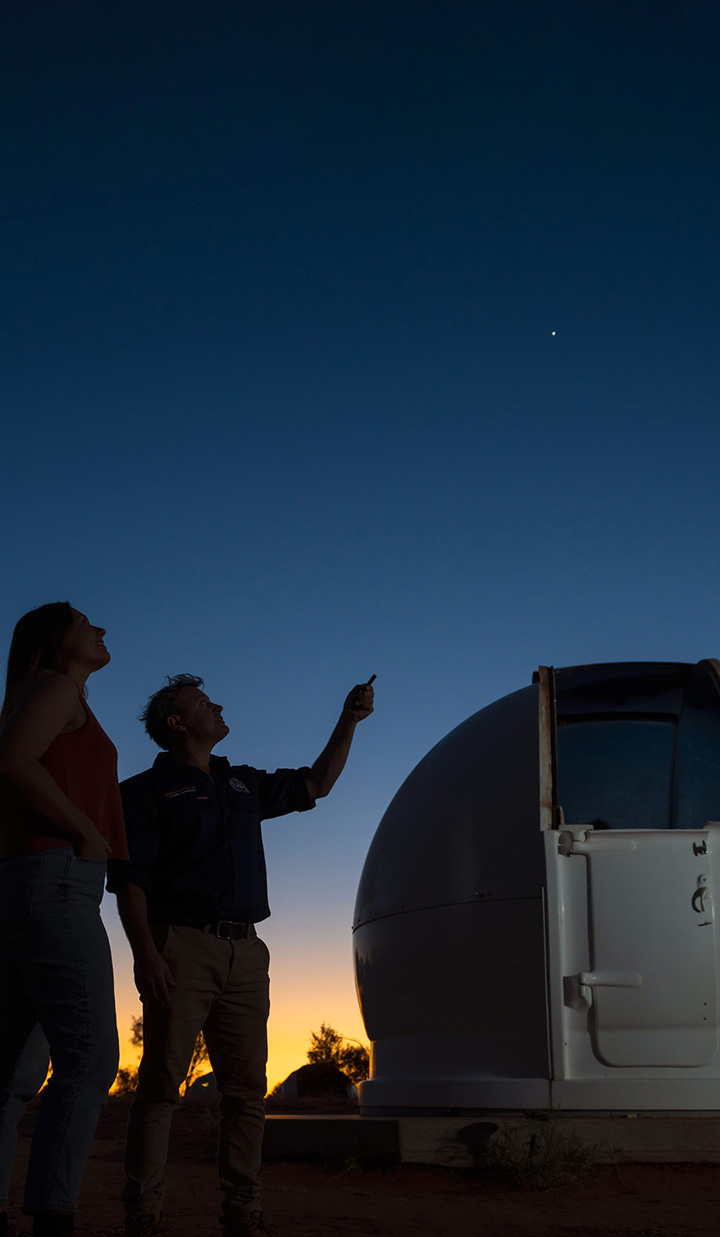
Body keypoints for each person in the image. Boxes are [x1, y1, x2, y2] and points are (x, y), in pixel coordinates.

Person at [109, 673, 375, 1237]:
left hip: (247, 953)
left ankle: (243, 1209)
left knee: (247, 1093)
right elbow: (130, 882)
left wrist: (349, 720)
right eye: (204, 703)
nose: (220, 705)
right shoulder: (142, 793)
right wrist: (146, 956)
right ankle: (144, 1210)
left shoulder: (241, 784)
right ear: (177, 724)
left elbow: (316, 785)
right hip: (180, 946)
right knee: (160, 1087)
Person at [0, 602, 129, 1236]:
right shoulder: (55, 687)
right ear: (58, 640)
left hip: (26, 884)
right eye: (85, 621)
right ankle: (54, 1219)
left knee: (13, 1073)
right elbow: (15, 762)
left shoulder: (43, 692)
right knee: (89, 1058)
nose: (100, 627)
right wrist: (84, 829)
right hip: (56, 880)